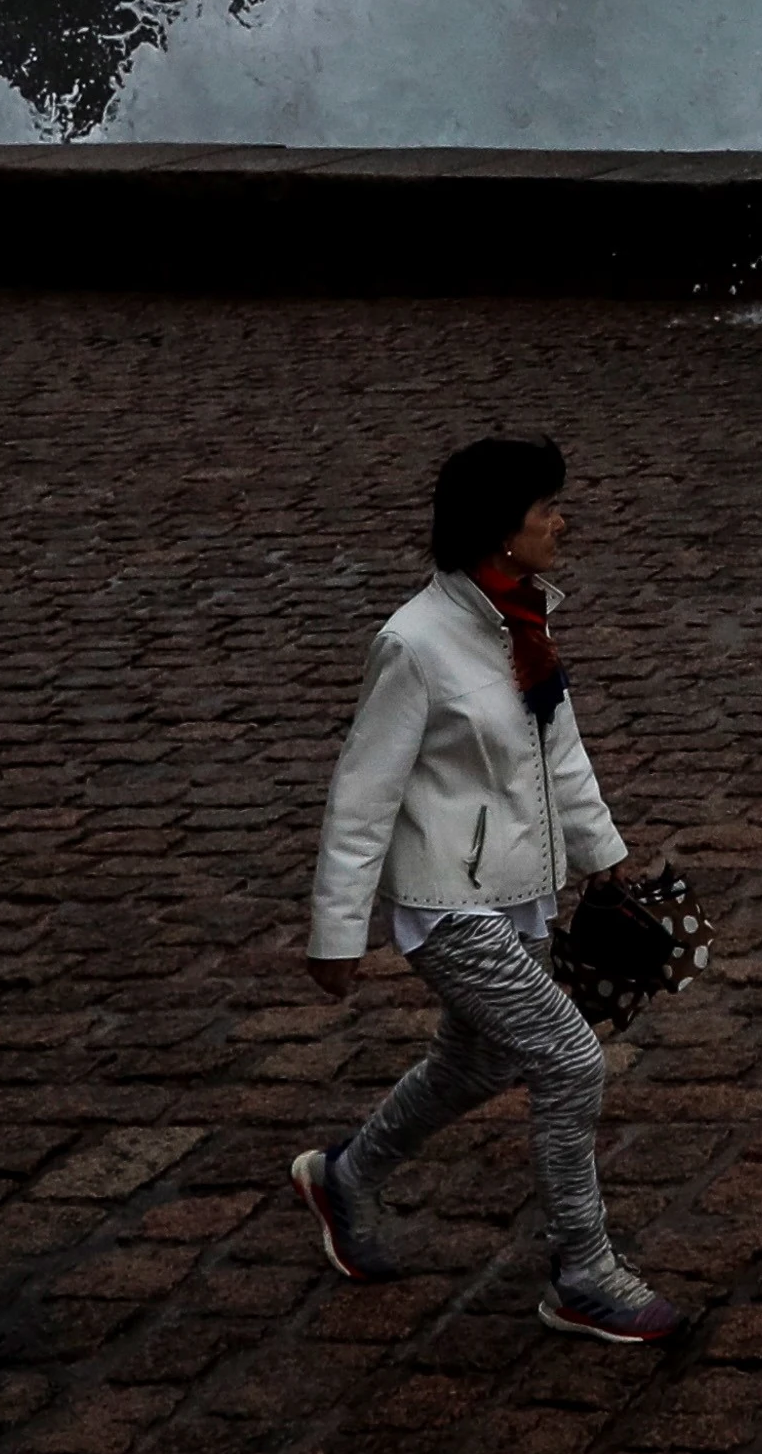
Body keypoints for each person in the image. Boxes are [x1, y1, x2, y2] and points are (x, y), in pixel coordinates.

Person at [285, 435, 687, 1342]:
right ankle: (585, 1272)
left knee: (477, 1061)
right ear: (500, 531)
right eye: (546, 506)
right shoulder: (414, 645)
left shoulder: (523, 621)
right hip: (446, 900)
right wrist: (337, 930)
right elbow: (363, 792)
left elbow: (559, 748)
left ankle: (343, 1180)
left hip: (519, 890)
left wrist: (601, 851)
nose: (561, 518)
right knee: (570, 1061)